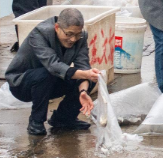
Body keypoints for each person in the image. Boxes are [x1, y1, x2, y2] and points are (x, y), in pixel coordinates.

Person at [5, 8, 100, 136]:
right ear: (57, 27)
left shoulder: (81, 37)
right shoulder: (39, 34)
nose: (73, 39)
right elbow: (53, 66)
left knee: (90, 79)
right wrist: (84, 74)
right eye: (69, 34)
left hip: (51, 80)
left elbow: (83, 66)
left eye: (77, 35)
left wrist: (83, 90)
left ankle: (63, 119)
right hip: (22, 84)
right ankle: (36, 122)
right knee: (46, 74)